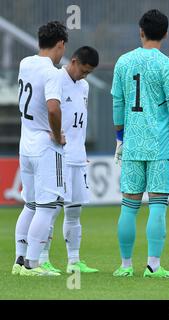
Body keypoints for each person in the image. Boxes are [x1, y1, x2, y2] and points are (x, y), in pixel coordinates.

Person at [111, 9, 169, 278]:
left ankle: (125, 265)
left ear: (141, 31)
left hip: (131, 144)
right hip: (157, 145)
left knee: (128, 206)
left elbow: (118, 104)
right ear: (165, 33)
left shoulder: (123, 62)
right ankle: (153, 265)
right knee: (157, 205)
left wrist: (120, 138)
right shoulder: (166, 63)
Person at [38, 46, 100, 274]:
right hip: (57, 155)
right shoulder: (55, 79)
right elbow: (49, 112)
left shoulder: (84, 86)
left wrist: (81, 152)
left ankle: (74, 261)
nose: (85, 75)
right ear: (73, 61)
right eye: (83, 70)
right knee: (51, 210)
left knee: (74, 211)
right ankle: (42, 259)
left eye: (89, 73)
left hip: (77, 157)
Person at [12, 21, 67, 276]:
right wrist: (57, 136)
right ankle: (33, 264)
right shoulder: (52, 72)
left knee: (30, 205)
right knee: (46, 207)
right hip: (46, 146)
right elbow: (53, 108)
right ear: (60, 44)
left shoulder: (25, 63)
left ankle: (19, 261)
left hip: (26, 143)